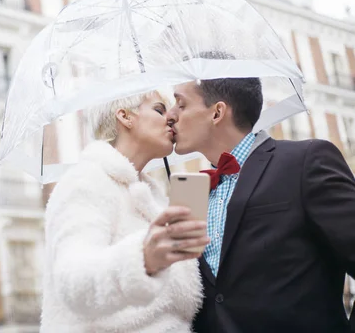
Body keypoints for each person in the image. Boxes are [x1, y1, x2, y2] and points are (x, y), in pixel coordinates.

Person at [167, 67, 355, 332]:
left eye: (180, 104)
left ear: (217, 112)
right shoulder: (189, 193)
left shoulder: (305, 161)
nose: (170, 115)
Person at [40, 91, 210, 333]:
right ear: (125, 116)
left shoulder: (153, 196)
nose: (172, 117)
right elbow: (72, 281)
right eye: (160, 110)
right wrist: (143, 258)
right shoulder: (86, 181)